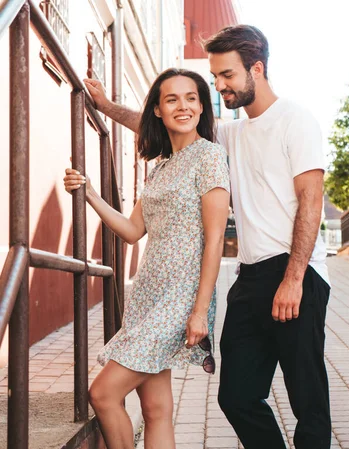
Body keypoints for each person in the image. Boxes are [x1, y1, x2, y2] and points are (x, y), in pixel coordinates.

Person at [83, 24, 332, 449]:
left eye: (227, 76)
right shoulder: (230, 136)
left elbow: (310, 202)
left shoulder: (296, 120)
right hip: (251, 276)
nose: (219, 86)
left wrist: (294, 278)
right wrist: (107, 106)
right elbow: (164, 122)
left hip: (297, 271)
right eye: (215, 77)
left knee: (306, 395)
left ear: (257, 68)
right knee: (236, 396)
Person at [65, 68, 230, 449]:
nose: (183, 106)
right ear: (157, 110)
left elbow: (216, 238)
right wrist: (89, 193)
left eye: (191, 98)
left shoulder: (209, 156)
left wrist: (200, 310)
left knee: (103, 394)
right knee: (155, 409)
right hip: (146, 297)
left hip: (181, 299)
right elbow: (131, 231)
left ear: (202, 106)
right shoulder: (160, 168)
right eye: (171, 99)